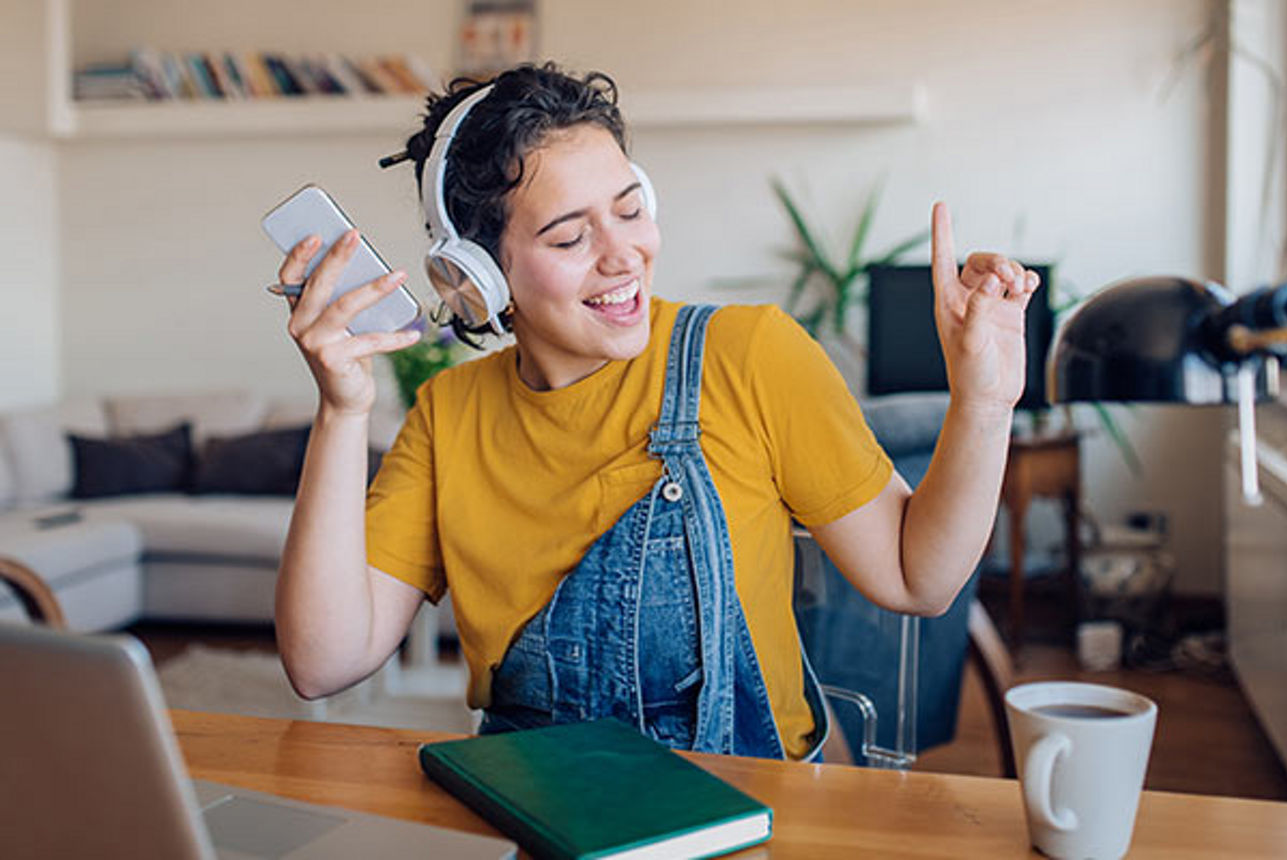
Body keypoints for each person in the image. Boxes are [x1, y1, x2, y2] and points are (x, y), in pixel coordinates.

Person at [272, 63, 1039, 761]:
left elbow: (917, 581)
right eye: (570, 235)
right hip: (536, 807)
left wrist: (985, 398)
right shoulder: (449, 416)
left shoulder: (749, 355)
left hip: (745, 806)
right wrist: (342, 409)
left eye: (631, 210)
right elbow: (320, 662)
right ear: (478, 276)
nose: (622, 255)